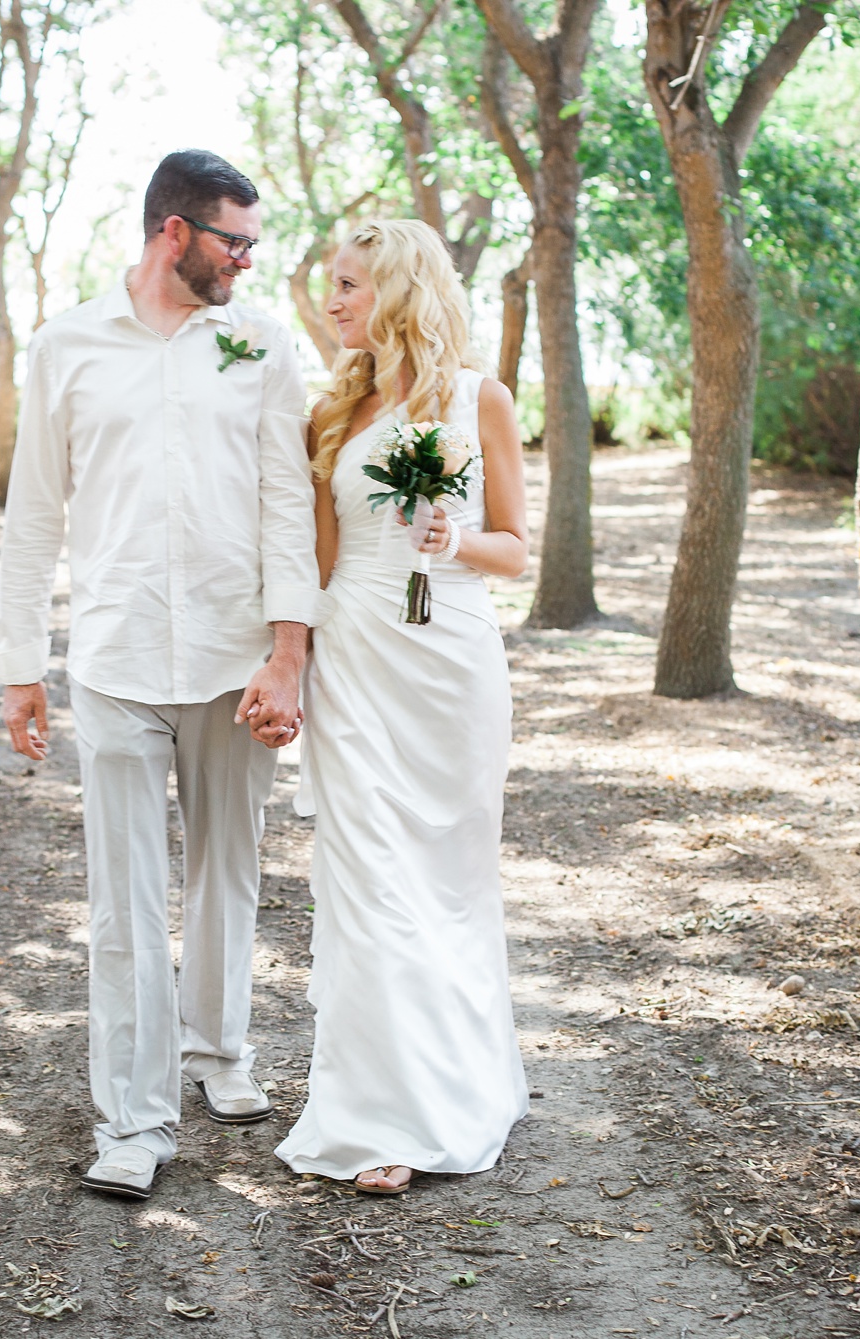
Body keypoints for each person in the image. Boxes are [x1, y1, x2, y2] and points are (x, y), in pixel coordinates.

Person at [0, 150, 322, 1201]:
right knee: (123, 901)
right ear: (174, 232)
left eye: (253, 243)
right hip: (117, 656)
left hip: (234, 662)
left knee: (228, 868)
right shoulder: (66, 344)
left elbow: (285, 505)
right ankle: (132, 1118)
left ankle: (219, 1053)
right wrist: (19, 666)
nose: (247, 261)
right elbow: (33, 512)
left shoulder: (259, 343)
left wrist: (287, 654)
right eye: (234, 241)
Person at [272, 219, 530, 1195]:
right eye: (332, 285)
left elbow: (513, 545)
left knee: (450, 885)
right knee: (368, 881)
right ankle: (376, 1116)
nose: (333, 301)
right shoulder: (333, 411)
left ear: (400, 288)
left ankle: (462, 1090)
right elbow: (320, 561)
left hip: (450, 668)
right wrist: (287, 663)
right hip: (353, 662)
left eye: (348, 284)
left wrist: (451, 538)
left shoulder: (479, 399)